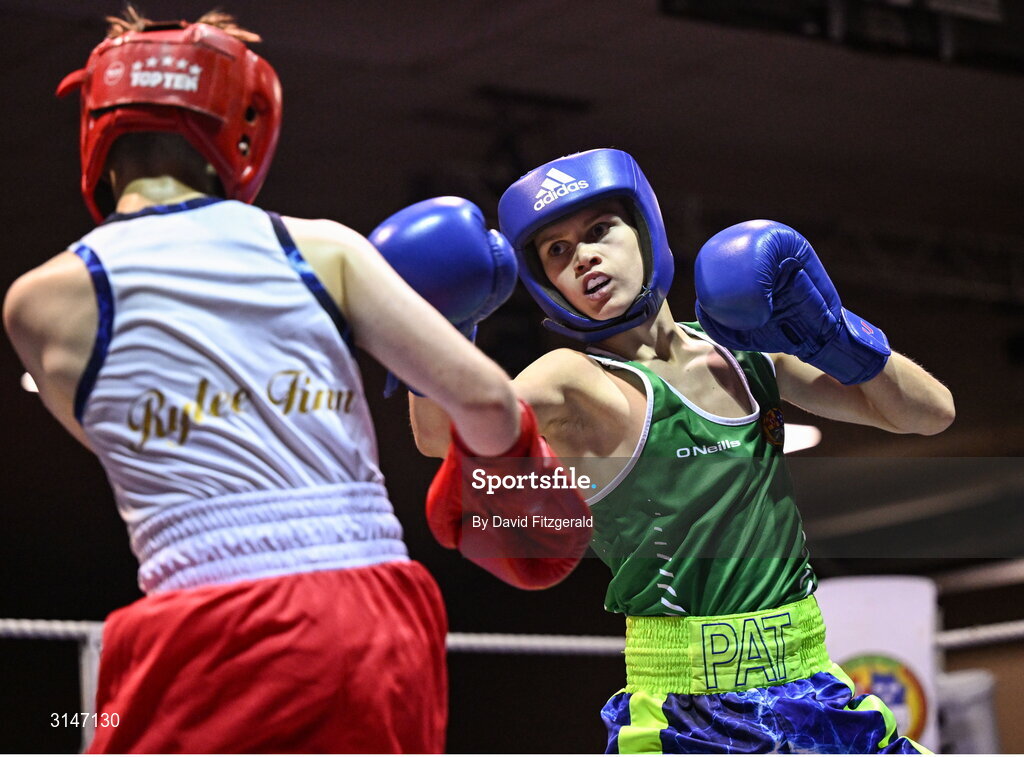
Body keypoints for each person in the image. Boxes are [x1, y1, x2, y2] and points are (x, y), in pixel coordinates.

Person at [3, 8, 587, 753]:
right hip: (370, 609)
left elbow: (122, 451)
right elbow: (485, 401)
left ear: (97, 124)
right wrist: (508, 485)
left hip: (199, 614)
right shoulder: (317, 246)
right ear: (239, 124)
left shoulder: (37, 302)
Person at [404, 148, 955, 753]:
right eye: (556, 251)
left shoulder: (745, 350)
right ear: (545, 282)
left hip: (814, 686)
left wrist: (835, 335)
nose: (583, 255)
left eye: (598, 231)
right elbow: (438, 438)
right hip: (689, 713)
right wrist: (434, 325)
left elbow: (929, 415)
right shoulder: (573, 379)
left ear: (645, 231)